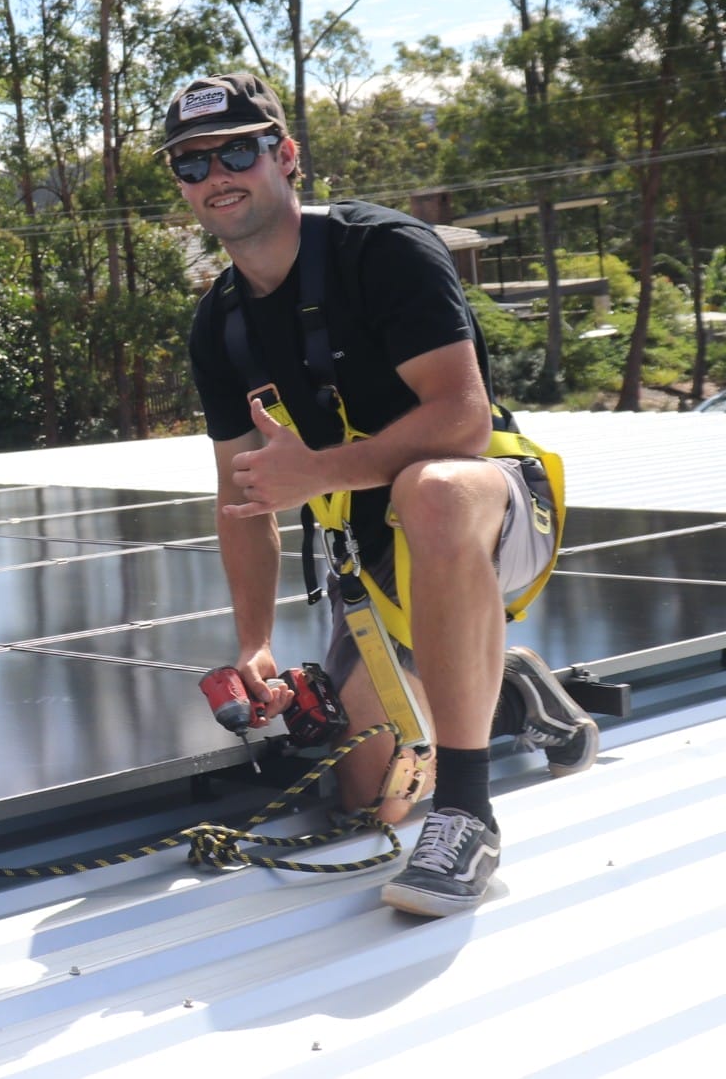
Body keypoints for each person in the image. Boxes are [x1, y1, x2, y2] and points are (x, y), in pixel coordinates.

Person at [167, 72, 598, 917]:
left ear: (284, 156)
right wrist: (254, 643)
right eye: (191, 163)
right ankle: (508, 687)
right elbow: (240, 494)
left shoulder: (382, 250)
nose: (216, 173)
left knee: (429, 490)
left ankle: (467, 814)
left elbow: (462, 418)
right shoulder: (219, 324)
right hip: (372, 562)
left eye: (238, 149)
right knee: (368, 798)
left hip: (485, 508)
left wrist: (321, 471)